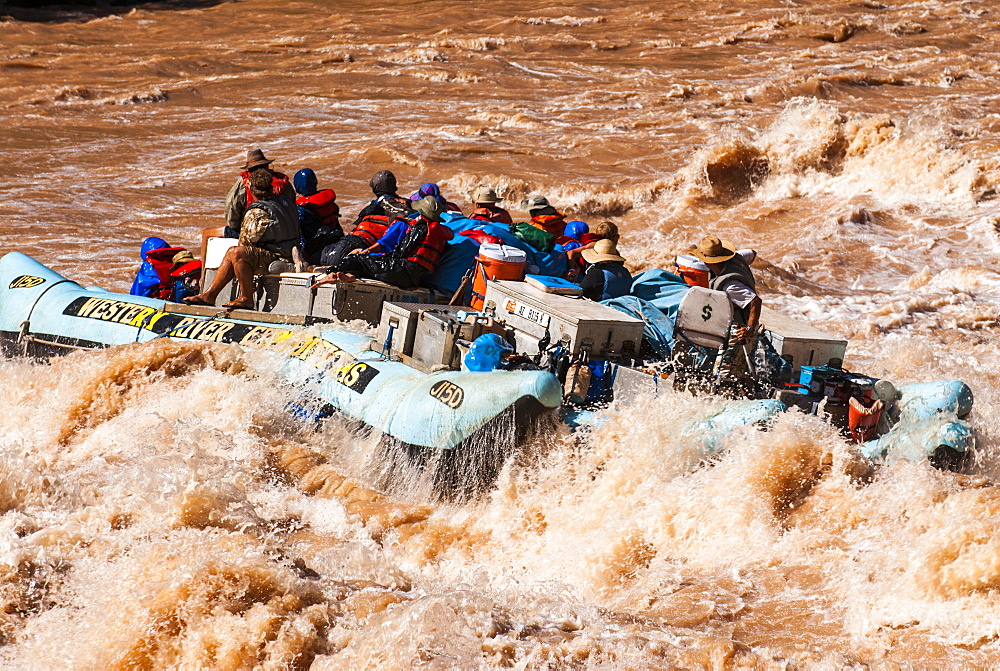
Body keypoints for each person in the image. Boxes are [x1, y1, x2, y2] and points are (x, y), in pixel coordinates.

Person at [184, 169, 300, 310]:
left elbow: (245, 243)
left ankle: (247, 298)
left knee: (236, 253)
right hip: (290, 251)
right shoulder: (284, 202)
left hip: (278, 257)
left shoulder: (257, 212)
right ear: (271, 187)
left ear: (251, 189)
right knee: (232, 252)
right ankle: (209, 295)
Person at [311, 196, 454, 290]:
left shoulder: (420, 229)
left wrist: (371, 254)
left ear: (421, 212)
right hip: (415, 277)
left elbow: (401, 253)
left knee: (356, 258)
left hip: (403, 272)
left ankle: (331, 274)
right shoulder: (439, 233)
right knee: (369, 263)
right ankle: (349, 276)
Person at [197, 148, 297, 281]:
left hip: (256, 231)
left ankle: (202, 278)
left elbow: (232, 219)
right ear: (267, 166)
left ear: (249, 170)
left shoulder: (244, 185)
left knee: (207, 234)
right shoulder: (284, 183)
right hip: (286, 235)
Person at [692, 235, 762, 388]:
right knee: (739, 372)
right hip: (745, 329)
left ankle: (724, 402)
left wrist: (749, 329)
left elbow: (755, 301)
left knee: (723, 374)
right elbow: (752, 252)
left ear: (707, 261)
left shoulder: (729, 285)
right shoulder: (738, 257)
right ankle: (744, 399)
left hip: (739, 332)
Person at [293, 168, 342, 263]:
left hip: (317, 249)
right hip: (337, 238)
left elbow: (302, 236)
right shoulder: (330, 202)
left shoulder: (302, 209)